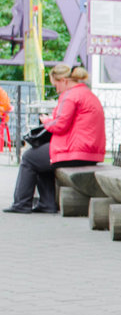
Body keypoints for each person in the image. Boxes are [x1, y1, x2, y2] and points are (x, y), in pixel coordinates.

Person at [4, 65, 105, 214]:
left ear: (63, 80)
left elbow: (59, 125)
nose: (56, 89)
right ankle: (46, 204)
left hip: (76, 151)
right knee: (40, 157)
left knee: (29, 158)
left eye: (56, 85)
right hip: (89, 151)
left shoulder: (71, 95)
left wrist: (46, 121)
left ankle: (21, 203)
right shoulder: (85, 93)